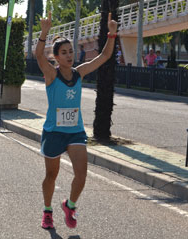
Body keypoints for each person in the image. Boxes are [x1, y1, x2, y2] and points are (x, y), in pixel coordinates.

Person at [36, 12, 118, 230]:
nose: (69, 55)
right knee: (51, 175)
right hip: (54, 132)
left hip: (75, 132)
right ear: (56, 57)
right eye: (64, 52)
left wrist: (111, 34)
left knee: (81, 174)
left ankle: (69, 206)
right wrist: (44, 34)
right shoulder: (51, 75)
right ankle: (47, 211)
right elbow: (38, 56)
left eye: (71, 51)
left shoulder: (79, 73)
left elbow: (103, 57)